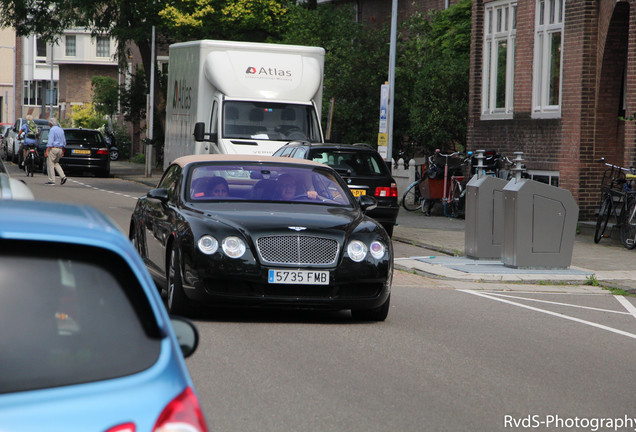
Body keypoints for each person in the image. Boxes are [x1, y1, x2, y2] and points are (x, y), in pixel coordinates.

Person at [45, 118, 67, 185]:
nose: (49, 124)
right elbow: (64, 141)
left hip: (54, 148)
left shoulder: (52, 129)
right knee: (56, 163)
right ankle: (63, 176)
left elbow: (50, 141)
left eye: (49, 123)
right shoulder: (61, 129)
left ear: (51, 123)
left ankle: (52, 180)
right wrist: (62, 150)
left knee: (50, 164)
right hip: (60, 149)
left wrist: (47, 151)